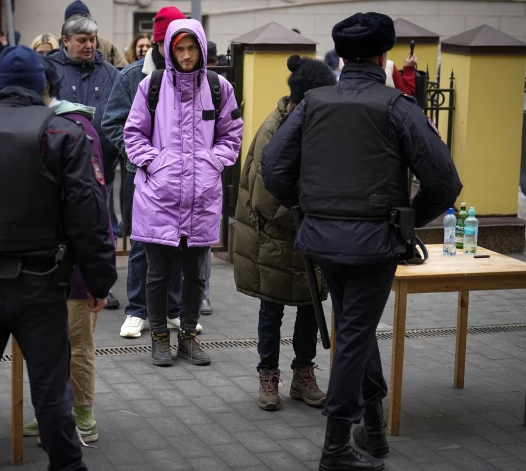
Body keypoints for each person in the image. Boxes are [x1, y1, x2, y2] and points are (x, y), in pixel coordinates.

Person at [262, 12, 462, 471]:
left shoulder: (312, 102)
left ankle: (372, 432)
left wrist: (308, 207)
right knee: (354, 332)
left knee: (356, 328)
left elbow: (273, 170)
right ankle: (335, 449)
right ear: (383, 54)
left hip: (322, 239)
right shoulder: (397, 106)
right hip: (374, 244)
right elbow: (445, 183)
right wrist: (405, 223)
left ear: (344, 55)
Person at [0, 45, 117, 470]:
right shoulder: (62, 133)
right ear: (43, 85)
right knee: (51, 391)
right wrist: (99, 282)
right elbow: (88, 216)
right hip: (41, 281)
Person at [124, 19, 243, 366]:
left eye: (193, 48)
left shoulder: (220, 87)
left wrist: (211, 163)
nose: (187, 55)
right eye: (180, 48)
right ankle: (160, 337)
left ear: (202, 49)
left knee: (196, 274)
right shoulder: (152, 85)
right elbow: (133, 134)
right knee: (158, 274)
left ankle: (188, 337)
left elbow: (232, 136)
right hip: (158, 197)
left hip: (201, 197)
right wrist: (157, 164)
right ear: (170, 50)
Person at [233, 55, 336, 412]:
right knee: (272, 307)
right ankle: (268, 375)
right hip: (275, 234)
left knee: (311, 305)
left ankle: (303, 375)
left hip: (307, 230)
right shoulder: (273, 130)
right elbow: (264, 196)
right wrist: (308, 218)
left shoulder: (315, 124)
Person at [22, 57, 111, 445]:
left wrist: (98, 276)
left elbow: (93, 207)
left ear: (44, 89)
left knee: (78, 344)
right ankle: (52, 412)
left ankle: (83, 416)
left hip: (75, 263)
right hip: (38, 264)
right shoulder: (27, 127)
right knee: (46, 345)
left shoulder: (78, 129)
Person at [102, 6, 204, 339]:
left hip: (184, 176)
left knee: (179, 240)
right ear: (160, 43)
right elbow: (113, 123)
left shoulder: (197, 77)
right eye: (168, 43)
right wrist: (145, 157)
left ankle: (173, 310)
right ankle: (137, 310)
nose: (175, 50)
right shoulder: (133, 76)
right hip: (142, 173)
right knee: (145, 243)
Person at [47, 13, 121, 309]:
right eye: (82, 40)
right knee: (63, 227)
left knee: (101, 225)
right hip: (58, 166)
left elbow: (120, 117)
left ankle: (100, 283)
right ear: (65, 41)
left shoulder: (111, 73)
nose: (89, 45)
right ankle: (60, 279)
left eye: (92, 39)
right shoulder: (50, 70)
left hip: (101, 166)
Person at [64, 0, 128, 67]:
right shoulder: (57, 45)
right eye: (81, 40)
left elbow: (123, 69)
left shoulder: (106, 47)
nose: (88, 46)